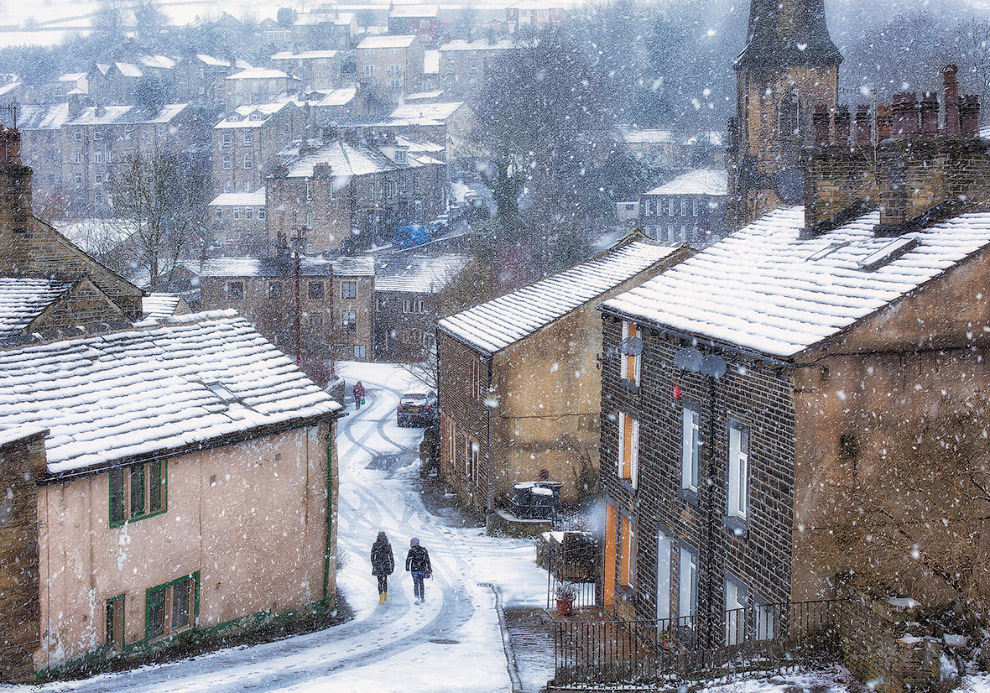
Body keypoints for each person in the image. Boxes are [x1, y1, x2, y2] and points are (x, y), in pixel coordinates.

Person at [405, 537, 432, 604]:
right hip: (422, 569)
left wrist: (407, 567)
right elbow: (427, 560)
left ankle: (417, 598)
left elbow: (408, 560)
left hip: (414, 570)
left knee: (416, 584)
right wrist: (429, 568)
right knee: (421, 583)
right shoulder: (424, 550)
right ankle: (422, 597)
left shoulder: (411, 551)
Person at [370, 531, 394, 604]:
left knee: (379, 581)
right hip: (385, 564)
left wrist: (374, 564)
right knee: (385, 580)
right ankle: (385, 595)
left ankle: (381, 598)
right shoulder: (388, 545)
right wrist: (392, 566)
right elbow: (391, 556)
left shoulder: (375, 545)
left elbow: (372, 556)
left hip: (378, 564)